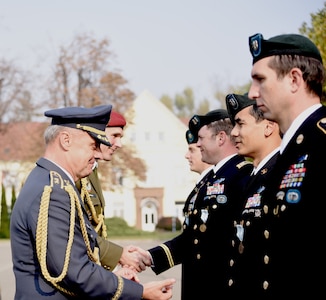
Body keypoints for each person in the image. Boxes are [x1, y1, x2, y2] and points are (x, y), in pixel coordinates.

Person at [10, 105, 176, 299]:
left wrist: (113, 278)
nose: (98, 154)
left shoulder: (51, 181)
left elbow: (76, 257)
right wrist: (140, 292)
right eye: (93, 146)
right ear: (66, 140)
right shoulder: (55, 191)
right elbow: (75, 272)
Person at [234, 32, 326, 298]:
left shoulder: (319, 142)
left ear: (295, 80)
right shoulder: (289, 151)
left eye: (260, 80)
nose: (252, 93)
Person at [146, 109, 253, 299]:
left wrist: (147, 257)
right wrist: (150, 257)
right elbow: (194, 238)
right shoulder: (213, 180)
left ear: (220, 138)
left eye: (201, 139)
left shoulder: (241, 177)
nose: (198, 144)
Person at [77, 110, 150, 273]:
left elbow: (95, 230)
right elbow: (78, 232)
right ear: (96, 134)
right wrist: (119, 255)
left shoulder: (92, 170)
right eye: (114, 136)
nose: (119, 144)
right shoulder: (76, 174)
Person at [225, 92, 281, 295]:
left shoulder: (281, 175)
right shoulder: (250, 178)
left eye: (241, 124)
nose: (233, 133)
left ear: (268, 126)